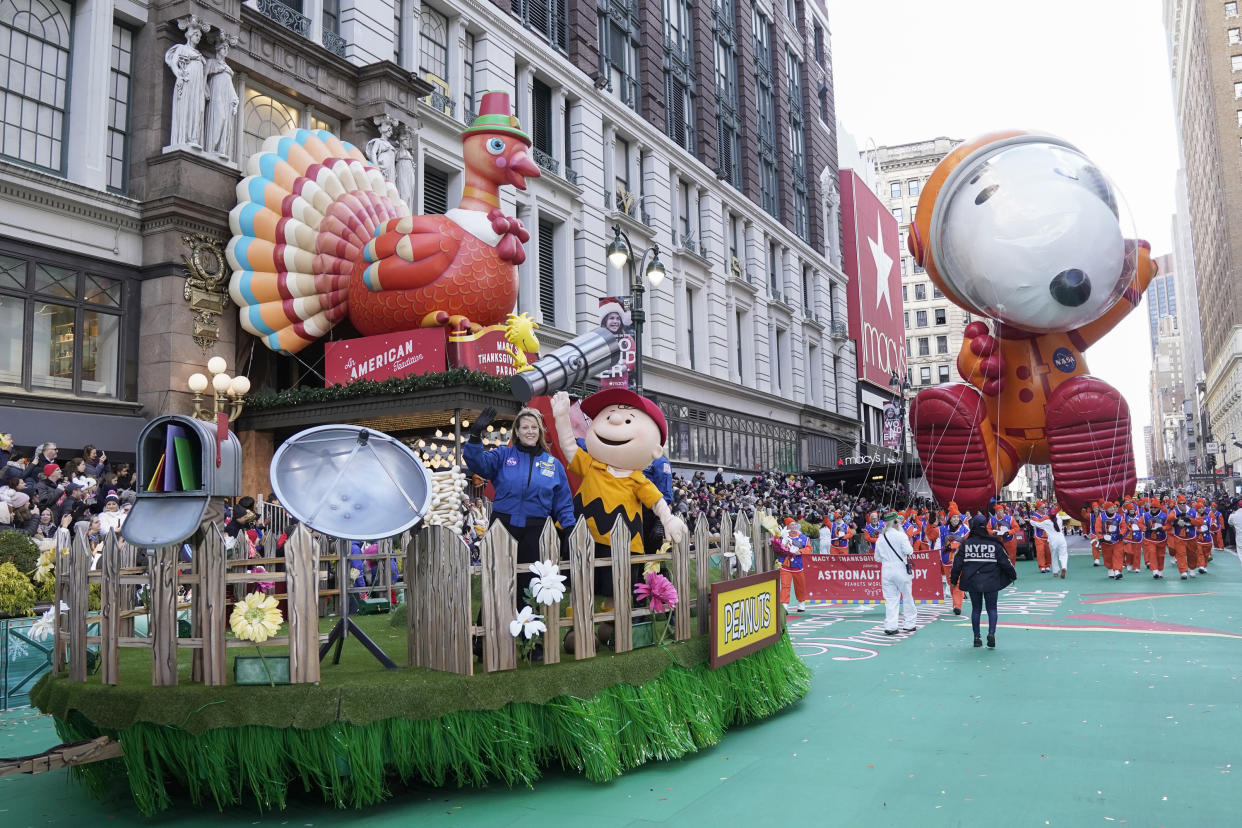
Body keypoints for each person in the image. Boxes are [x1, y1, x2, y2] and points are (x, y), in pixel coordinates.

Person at [463, 406, 575, 577]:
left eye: (534, 427)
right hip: (503, 526)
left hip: (536, 529)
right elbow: (477, 463)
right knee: (498, 579)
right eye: (525, 427)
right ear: (517, 431)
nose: (530, 431)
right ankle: (496, 605)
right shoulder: (503, 455)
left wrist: (569, 528)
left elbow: (563, 502)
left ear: (540, 431)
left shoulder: (553, 464)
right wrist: (475, 436)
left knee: (531, 582)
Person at [950, 513, 1018, 648]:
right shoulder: (994, 543)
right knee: (992, 608)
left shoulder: (965, 544)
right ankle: (991, 633)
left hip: (972, 581)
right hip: (991, 581)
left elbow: (957, 564)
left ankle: (976, 638)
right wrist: (1012, 575)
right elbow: (1005, 563)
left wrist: (953, 579)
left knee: (976, 609)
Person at [873, 510, 917, 635]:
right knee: (907, 596)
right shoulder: (901, 535)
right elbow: (909, 551)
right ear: (896, 522)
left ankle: (891, 626)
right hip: (900, 568)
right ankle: (909, 624)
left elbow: (877, 558)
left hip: (886, 570)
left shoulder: (880, 538)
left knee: (890, 599)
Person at [1031, 506, 1068, 579]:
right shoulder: (1059, 519)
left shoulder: (1046, 522)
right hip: (1061, 539)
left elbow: (1036, 524)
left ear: (1049, 515)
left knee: (1054, 556)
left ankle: (1055, 572)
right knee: (1063, 555)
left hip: (1053, 541)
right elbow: (1057, 513)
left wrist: (1029, 520)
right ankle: (1063, 567)